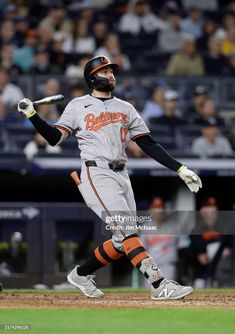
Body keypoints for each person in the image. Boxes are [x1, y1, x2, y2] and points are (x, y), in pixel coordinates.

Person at [17, 55, 202, 300]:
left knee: (120, 239)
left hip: (122, 174)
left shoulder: (126, 108)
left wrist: (180, 169)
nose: (111, 74)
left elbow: (148, 144)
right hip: (97, 173)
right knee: (127, 230)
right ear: (92, 77)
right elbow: (54, 138)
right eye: (105, 71)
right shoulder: (77, 105)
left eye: (111, 71)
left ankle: (81, 275)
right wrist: (32, 115)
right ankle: (159, 284)